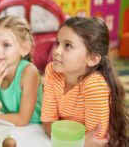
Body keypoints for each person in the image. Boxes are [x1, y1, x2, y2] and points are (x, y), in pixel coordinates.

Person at [41, 17, 129, 146]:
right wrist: (78, 142)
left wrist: (74, 141)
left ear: (92, 59)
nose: (57, 51)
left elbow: (96, 140)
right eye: (57, 43)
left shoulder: (94, 85)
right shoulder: (52, 71)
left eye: (68, 46)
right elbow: (48, 123)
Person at [0, 16, 43, 126]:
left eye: (6, 45)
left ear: (24, 49)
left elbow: (23, 120)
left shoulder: (29, 72)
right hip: (8, 128)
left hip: (33, 131)